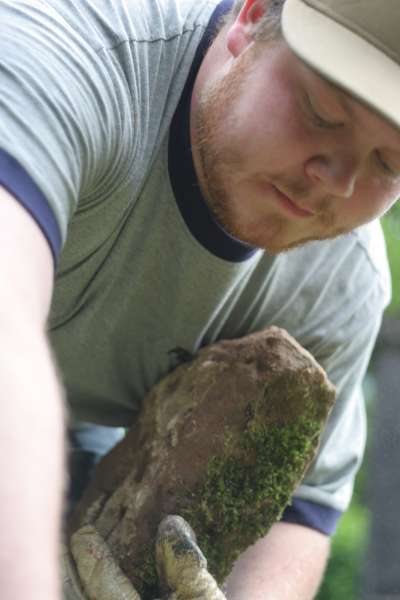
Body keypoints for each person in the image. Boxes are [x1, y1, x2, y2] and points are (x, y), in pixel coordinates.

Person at [1, 0, 399, 598]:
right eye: (321, 114)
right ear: (251, 18)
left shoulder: (344, 279)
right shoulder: (74, 53)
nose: (337, 179)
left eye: (390, 164)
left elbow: (301, 513)